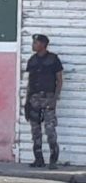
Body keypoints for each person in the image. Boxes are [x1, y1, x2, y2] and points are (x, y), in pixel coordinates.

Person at [25, 34, 63, 169]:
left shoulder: (53, 59)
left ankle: (53, 161)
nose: (33, 45)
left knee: (50, 130)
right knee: (35, 131)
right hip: (34, 99)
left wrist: (55, 99)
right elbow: (29, 82)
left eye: (35, 43)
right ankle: (38, 159)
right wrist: (27, 102)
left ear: (42, 44)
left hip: (48, 98)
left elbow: (59, 80)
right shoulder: (32, 60)